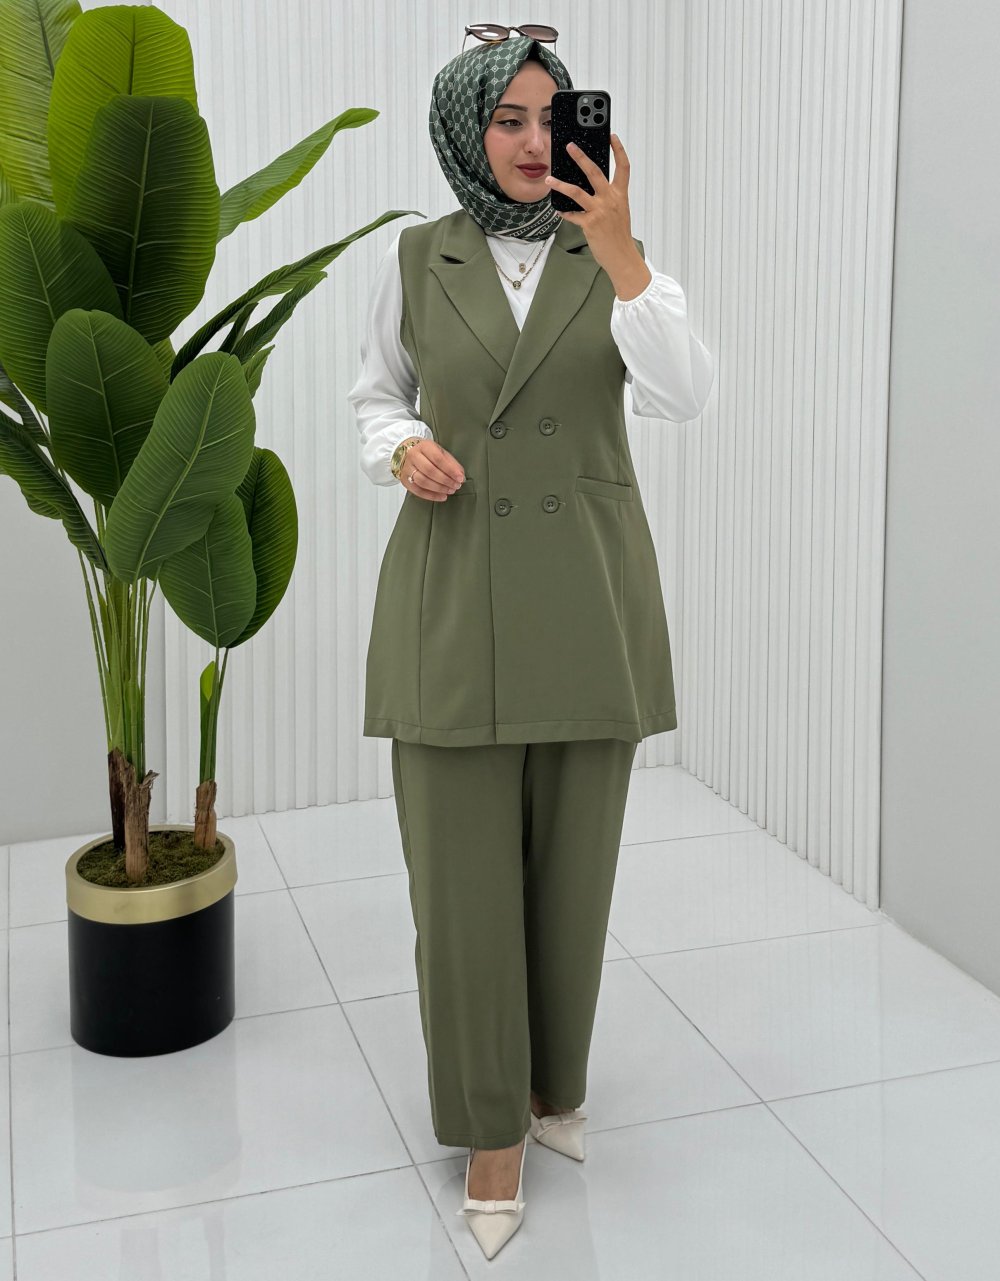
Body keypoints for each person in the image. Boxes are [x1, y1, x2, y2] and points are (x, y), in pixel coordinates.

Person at [347, 30, 714, 1259]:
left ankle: (556, 1089)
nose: (530, 139)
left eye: (551, 117)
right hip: (452, 590)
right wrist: (400, 447)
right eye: (506, 116)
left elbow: (683, 394)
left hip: (585, 598)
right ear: (466, 127)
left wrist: (621, 253)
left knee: (573, 871)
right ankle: (489, 1130)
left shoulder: (614, 258)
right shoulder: (415, 256)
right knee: (459, 889)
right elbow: (375, 394)